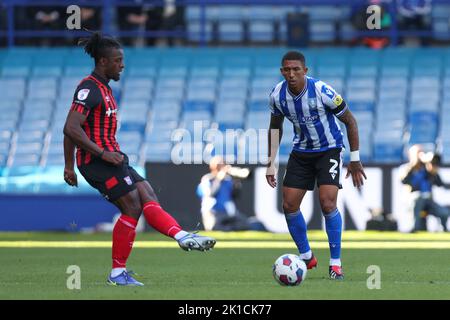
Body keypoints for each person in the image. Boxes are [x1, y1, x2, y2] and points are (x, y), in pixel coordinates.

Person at [63, 31, 216, 287]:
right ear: (103, 61)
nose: (122, 65)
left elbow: (72, 129)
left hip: (113, 158)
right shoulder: (89, 89)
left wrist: (77, 162)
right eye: (117, 60)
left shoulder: (105, 89)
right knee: (132, 206)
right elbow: (71, 128)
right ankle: (117, 273)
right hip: (97, 161)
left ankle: (181, 235)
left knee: (147, 195)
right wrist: (78, 162)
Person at [265, 51, 367, 280]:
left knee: (327, 203)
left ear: (305, 71)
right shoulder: (277, 95)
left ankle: (335, 264)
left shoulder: (322, 91)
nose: (291, 74)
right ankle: (306, 255)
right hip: (301, 152)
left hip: (329, 150)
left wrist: (355, 158)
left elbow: (350, 121)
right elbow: (275, 127)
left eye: (296, 70)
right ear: (282, 71)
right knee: (289, 205)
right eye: (287, 70)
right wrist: (270, 162)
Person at [401, 145, 450, 232]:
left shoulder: (429, 169)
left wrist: (432, 171)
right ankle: (414, 227)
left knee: (444, 212)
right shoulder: (408, 168)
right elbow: (403, 180)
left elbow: (441, 184)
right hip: (414, 199)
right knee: (418, 198)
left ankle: (444, 229)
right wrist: (414, 165)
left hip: (428, 200)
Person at [196, 156, 251, 231]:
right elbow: (210, 194)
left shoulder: (228, 180)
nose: (222, 168)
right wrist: (218, 179)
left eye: (223, 165)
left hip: (227, 213)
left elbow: (235, 195)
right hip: (213, 213)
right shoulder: (208, 179)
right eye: (219, 165)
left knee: (245, 224)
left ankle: (229, 228)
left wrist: (236, 181)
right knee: (215, 227)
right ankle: (227, 228)